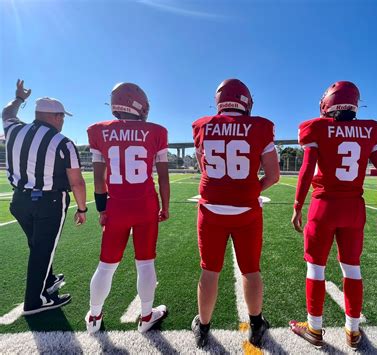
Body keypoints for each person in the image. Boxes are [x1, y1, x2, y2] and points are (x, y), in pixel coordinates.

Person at [289, 81, 377, 349]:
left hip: (323, 206)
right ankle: (353, 331)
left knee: (316, 268)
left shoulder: (317, 127)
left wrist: (297, 205)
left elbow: (306, 169)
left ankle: (314, 329)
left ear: (327, 103)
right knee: (352, 268)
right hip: (353, 207)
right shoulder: (371, 130)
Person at [191, 79, 280, 348]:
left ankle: (203, 327)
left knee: (209, 270)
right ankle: (256, 325)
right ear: (246, 101)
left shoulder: (202, 125)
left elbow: (202, 167)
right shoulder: (261, 127)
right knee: (251, 270)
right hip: (247, 211)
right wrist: (251, 189)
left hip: (211, 209)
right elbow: (273, 175)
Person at [85, 82, 170, 333]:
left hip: (116, 205)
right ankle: (146, 317)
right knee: (145, 262)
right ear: (138, 104)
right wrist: (165, 206)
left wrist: (102, 209)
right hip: (145, 204)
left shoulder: (99, 131)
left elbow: (99, 179)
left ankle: (95, 318)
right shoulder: (156, 131)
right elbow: (163, 177)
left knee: (106, 264)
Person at [2, 80, 87, 315]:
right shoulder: (63, 142)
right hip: (49, 202)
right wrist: (82, 209)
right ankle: (35, 301)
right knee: (42, 249)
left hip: (19, 201)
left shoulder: (13, 130)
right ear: (55, 116)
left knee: (36, 244)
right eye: (62, 117)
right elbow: (76, 181)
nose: (62, 121)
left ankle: (48, 280)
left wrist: (19, 98)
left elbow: (7, 112)